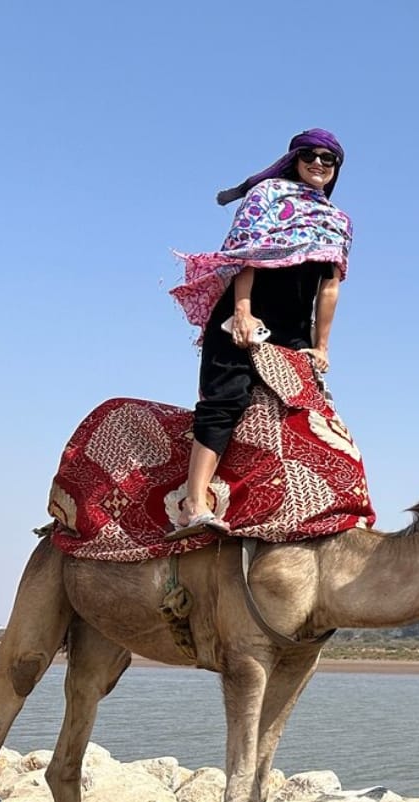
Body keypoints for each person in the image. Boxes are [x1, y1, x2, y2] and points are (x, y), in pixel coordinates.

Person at [166, 129, 353, 539]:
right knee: (227, 400)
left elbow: (329, 287)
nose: (318, 163)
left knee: (310, 413)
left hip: (293, 331)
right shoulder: (267, 196)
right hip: (247, 312)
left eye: (328, 158)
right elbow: (247, 257)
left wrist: (321, 346)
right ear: (295, 158)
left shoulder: (337, 221)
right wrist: (242, 312)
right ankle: (194, 504)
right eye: (310, 155)